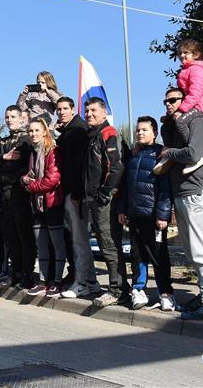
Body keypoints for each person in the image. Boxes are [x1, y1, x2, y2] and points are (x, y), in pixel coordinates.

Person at [160, 88, 203, 320]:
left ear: (186, 100)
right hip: (181, 191)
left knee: (201, 247)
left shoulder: (197, 120)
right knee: (190, 248)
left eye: (173, 100)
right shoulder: (175, 126)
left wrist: (169, 151)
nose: (168, 104)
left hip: (198, 191)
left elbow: (193, 154)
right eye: (166, 101)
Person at [117, 117, 174, 311]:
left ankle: (166, 293)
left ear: (154, 133)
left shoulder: (161, 154)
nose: (140, 133)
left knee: (159, 256)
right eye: (138, 130)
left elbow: (166, 189)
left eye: (145, 130)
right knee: (137, 255)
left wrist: (163, 215)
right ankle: (138, 290)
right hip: (135, 215)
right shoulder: (133, 155)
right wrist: (123, 209)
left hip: (154, 217)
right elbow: (126, 186)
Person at [80, 98, 127, 307]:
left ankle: (117, 290)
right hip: (92, 199)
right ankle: (118, 288)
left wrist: (104, 194)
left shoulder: (108, 133)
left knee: (109, 246)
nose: (89, 114)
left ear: (104, 111)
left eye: (93, 110)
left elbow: (116, 167)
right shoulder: (93, 135)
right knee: (104, 245)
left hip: (105, 202)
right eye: (87, 110)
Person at [56, 97, 99, 298]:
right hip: (71, 192)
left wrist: (77, 193)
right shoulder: (68, 131)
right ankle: (91, 281)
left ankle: (82, 282)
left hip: (76, 194)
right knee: (77, 239)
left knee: (80, 240)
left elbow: (80, 166)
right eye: (59, 109)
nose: (61, 112)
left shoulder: (78, 130)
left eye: (65, 108)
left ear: (73, 109)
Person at [154, 39, 203, 176]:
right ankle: (169, 151)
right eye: (180, 53)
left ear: (196, 54)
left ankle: (195, 154)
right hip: (193, 105)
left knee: (180, 120)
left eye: (186, 53)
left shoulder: (197, 70)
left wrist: (181, 110)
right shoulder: (187, 70)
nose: (182, 56)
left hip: (200, 106)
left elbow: (195, 93)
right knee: (167, 125)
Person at [22, 118, 64, 298]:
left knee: (56, 244)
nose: (33, 134)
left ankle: (56, 282)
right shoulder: (33, 152)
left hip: (52, 203)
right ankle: (43, 281)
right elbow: (31, 175)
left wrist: (31, 186)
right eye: (30, 131)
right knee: (42, 245)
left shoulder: (52, 151)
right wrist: (24, 179)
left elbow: (52, 179)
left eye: (37, 130)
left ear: (45, 131)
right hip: (36, 205)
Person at [0, 106, 35, 288]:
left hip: (20, 193)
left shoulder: (26, 140)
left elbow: (22, 165)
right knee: (10, 236)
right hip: (4, 193)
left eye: (13, 116)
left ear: (21, 119)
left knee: (24, 235)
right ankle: (16, 271)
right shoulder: (3, 142)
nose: (9, 120)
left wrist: (7, 165)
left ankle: (27, 273)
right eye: (7, 116)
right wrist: (4, 158)